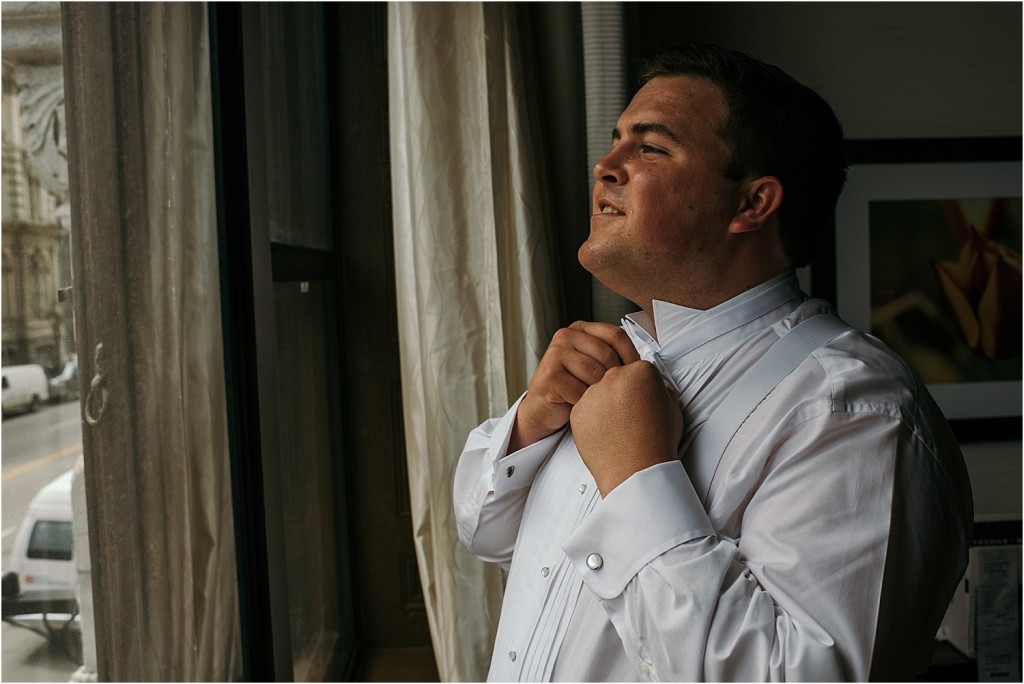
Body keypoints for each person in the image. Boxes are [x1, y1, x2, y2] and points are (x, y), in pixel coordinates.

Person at [453, 43, 973, 681]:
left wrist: (638, 475)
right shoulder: (610, 369)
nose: (605, 166)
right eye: (616, 141)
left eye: (650, 147)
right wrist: (529, 427)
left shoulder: (854, 411)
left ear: (752, 204)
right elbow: (485, 534)